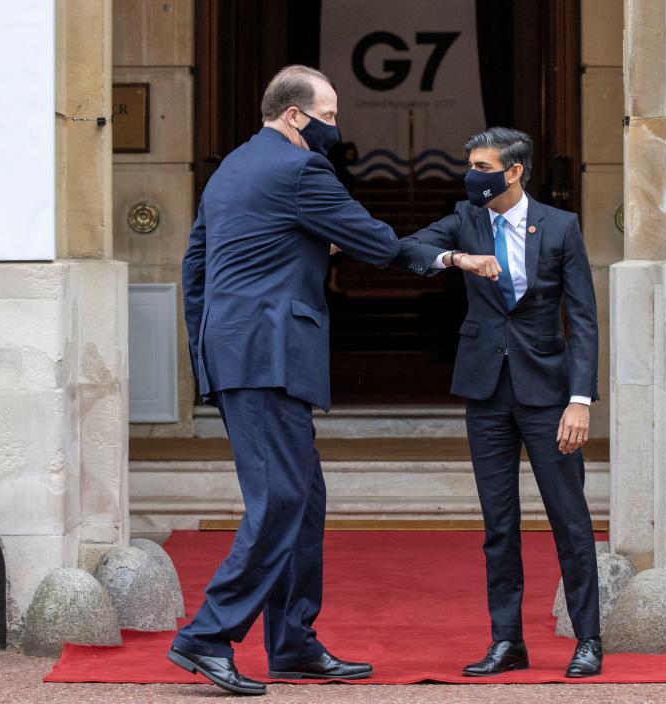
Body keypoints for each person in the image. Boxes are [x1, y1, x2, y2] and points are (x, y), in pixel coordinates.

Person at [169, 65, 400, 696]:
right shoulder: (301, 169)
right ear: (295, 116)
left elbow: (196, 269)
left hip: (240, 352)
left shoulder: (229, 170)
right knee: (282, 501)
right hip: (266, 356)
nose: (336, 127)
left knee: (305, 498)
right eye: (329, 116)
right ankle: (208, 635)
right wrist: (443, 252)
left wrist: (206, 356)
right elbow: (377, 243)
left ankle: (293, 642)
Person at [395, 127, 603, 678]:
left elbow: (582, 319)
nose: (473, 175)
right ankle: (506, 641)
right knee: (499, 524)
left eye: (483, 166)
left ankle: (588, 639)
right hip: (485, 391)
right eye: (471, 165)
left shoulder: (560, 227)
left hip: (548, 395)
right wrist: (458, 260)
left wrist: (580, 400)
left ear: (514, 171)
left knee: (570, 519)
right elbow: (406, 248)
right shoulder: (466, 218)